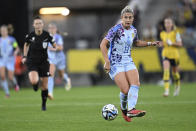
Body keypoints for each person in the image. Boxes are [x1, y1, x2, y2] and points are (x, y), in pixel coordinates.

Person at [100, 6, 160, 122]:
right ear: (122, 18)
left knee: (136, 83)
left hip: (128, 60)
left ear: (133, 18)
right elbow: (103, 44)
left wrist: (150, 43)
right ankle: (124, 111)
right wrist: (107, 61)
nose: (128, 19)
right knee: (125, 90)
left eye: (130, 17)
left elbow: (136, 42)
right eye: (126, 17)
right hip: (115, 63)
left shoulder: (133, 30)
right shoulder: (115, 29)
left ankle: (131, 109)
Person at [22, 16, 56, 111]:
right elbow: (26, 45)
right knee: (34, 81)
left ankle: (43, 105)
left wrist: (53, 47)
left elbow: (55, 46)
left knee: (45, 86)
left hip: (44, 62)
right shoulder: (30, 36)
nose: (38, 25)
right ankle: (35, 85)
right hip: (32, 61)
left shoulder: (47, 35)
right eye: (36, 23)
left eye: (40, 23)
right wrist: (24, 56)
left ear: (42, 24)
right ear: (33, 25)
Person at [47, 23, 71, 100]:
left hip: (60, 58)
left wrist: (52, 48)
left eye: (53, 28)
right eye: (50, 28)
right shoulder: (46, 38)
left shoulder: (58, 37)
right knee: (51, 75)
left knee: (61, 75)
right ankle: (50, 93)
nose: (51, 29)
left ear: (56, 29)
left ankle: (67, 79)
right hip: (52, 59)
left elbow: (60, 48)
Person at [160, 17, 182, 97]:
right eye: (166, 23)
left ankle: (177, 86)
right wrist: (161, 44)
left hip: (174, 55)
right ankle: (166, 90)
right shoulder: (162, 33)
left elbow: (180, 44)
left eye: (169, 22)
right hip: (165, 54)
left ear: (172, 24)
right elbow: (163, 43)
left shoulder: (176, 32)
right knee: (166, 71)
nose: (167, 24)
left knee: (175, 73)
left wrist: (172, 43)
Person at [0, 25, 20, 98]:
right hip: (2, 59)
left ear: (7, 31)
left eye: (4, 31)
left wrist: (15, 52)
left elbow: (17, 48)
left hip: (10, 60)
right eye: (2, 31)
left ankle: (15, 84)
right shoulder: (0, 40)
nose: (3, 32)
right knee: (2, 76)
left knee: (10, 77)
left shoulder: (11, 39)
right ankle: (7, 93)